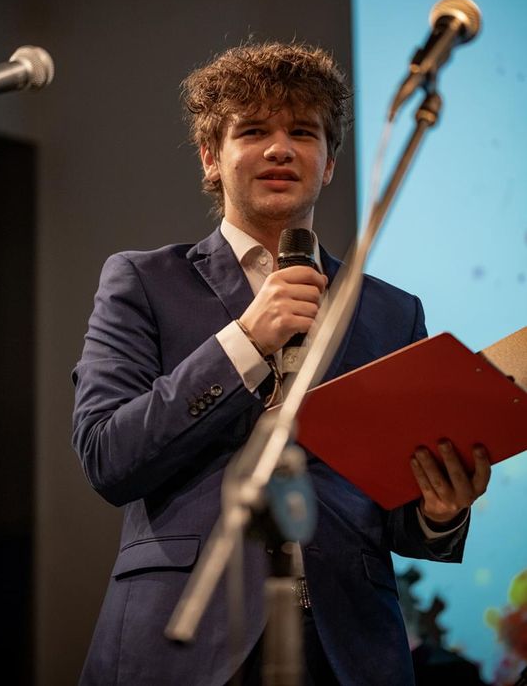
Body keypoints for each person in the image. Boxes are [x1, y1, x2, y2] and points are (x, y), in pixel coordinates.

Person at [72, 42, 490, 686]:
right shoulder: (142, 282)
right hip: (182, 642)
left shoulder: (391, 311)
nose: (279, 149)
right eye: (253, 131)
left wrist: (440, 510)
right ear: (210, 157)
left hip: (348, 647)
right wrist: (245, 340)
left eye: (302, 132)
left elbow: (398, 513)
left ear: (329, 163)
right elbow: (109, 456)